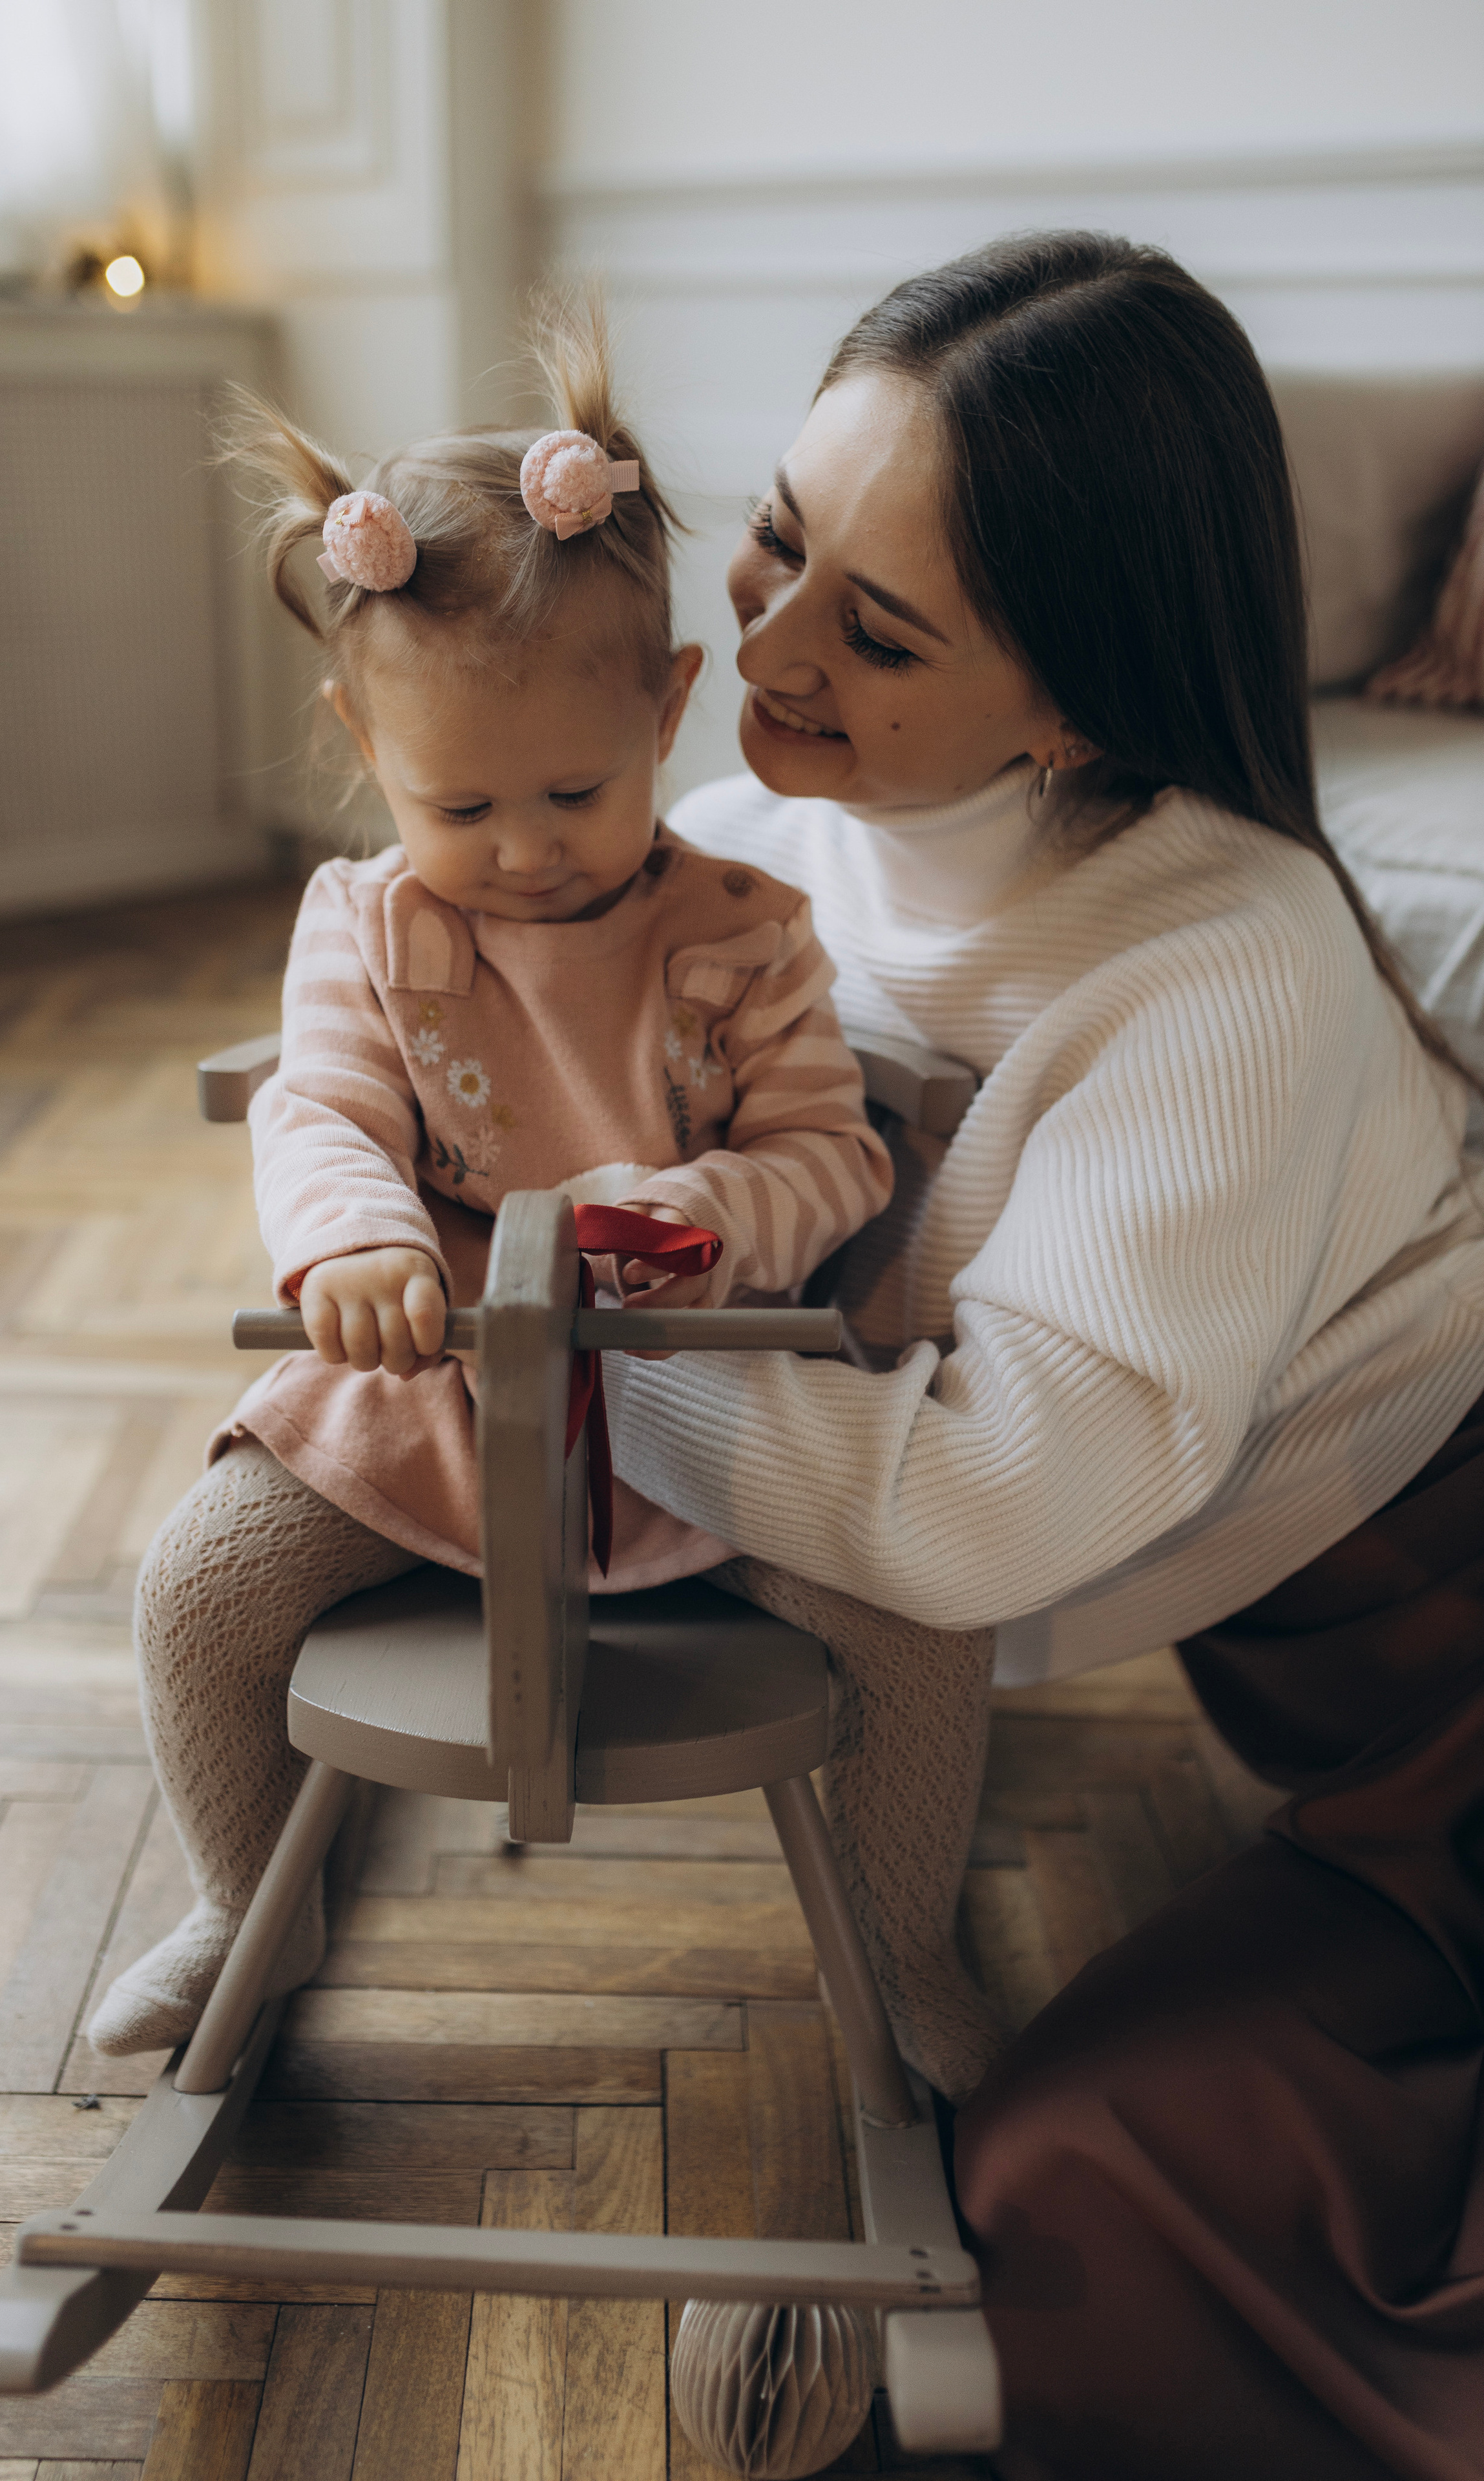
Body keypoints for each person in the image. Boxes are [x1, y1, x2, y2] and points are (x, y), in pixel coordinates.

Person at [600, 234, 1484, 2478]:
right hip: (1315, 1665)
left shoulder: (1225, 970)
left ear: (1077, 698)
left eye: (873, 632)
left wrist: (582, 1359)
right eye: (779, 539)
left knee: (1086, 2212)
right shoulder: (736, 850)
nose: (760, 648)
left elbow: (986, 1503)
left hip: (1454, 1675)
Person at [86, 309, 890, 2059]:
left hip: (699, 1394)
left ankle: (912, 1959)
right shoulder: (369, 924)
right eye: (461, 804)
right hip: (430, 1385)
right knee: (200, 1592)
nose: (524, 845)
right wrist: (359, 1243)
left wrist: (697, 1215)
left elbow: (831, 1151)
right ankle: (253, 1909)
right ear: (363, 751)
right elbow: (322, 1113)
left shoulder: (748, 933)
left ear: (671, 710)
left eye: (576, 791)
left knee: (922, 1614)